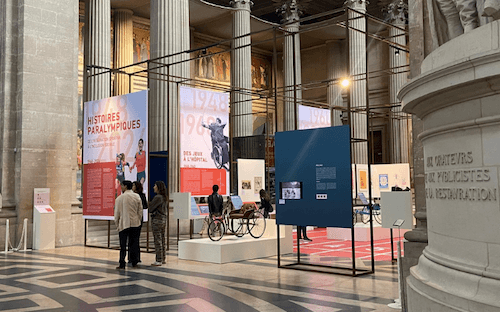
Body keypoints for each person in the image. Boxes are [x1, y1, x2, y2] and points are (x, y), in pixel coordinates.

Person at [114, 180, 143, 269]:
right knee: (134, 243)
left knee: (123, 245)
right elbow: (140, 211)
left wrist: (117, 224)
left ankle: (122, 262)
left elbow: (117, 214)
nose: (121, 187)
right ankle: (134, 262)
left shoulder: (120, 198)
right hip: (135, 223)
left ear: (125, 187)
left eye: (122, 186)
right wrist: (138, 220)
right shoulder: (136, 196)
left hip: (124, 224)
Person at [149, 181, 167, 266]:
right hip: (163, 220)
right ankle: (163, 258)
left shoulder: (158, 197)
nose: (153, 187)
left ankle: (159, 259)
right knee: (162, 239)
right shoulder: (164, 197)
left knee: (157, 240)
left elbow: (151, 208)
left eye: (155, 186)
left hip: (157, 220)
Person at [132, 181, 147, 264]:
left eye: (134, 185)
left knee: (136, 238)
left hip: (138, 217)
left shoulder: (141, 195)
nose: (133, 187)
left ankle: (137, 257)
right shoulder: (131, 195)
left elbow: (145, 206)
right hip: (132, 217)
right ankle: (132, 257)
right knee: (132, 238)